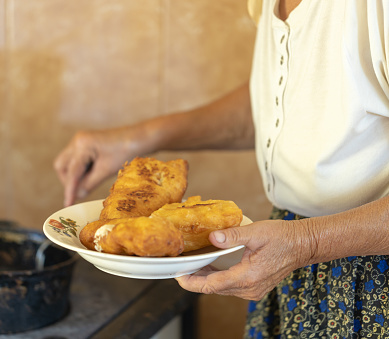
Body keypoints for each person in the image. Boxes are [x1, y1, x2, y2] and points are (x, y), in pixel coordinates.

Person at [54, 0, 389, 337]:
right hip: (294, 264)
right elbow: (279, 103)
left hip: (371, 277)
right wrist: (136, 139)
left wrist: (309, 242)